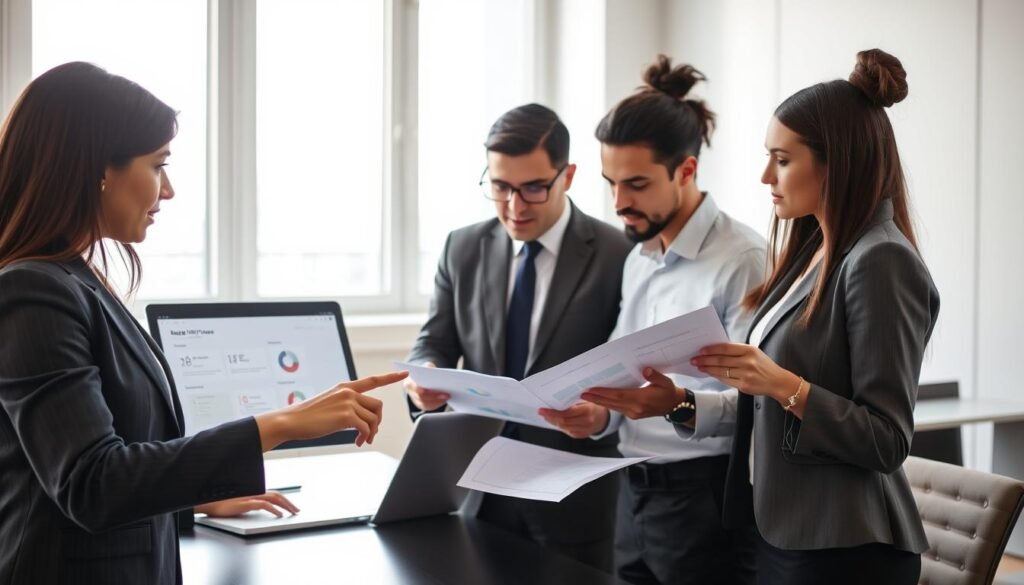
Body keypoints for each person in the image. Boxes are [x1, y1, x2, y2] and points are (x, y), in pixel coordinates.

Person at [0, 62, 406, 585]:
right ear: (98, 169)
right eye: (157, 165)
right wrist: (280, 424)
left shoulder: (77, 280)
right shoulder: (32, 292)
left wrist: (197, 499)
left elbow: (95, 473)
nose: (166, 191)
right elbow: (90, 484)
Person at [691, 49, 939, 585]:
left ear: (836, 162)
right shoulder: (813, 253)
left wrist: (784, 384)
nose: (765, 176)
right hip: (783, 532)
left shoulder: (881, 260)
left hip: (844, 550)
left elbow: (886, 439)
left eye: (782, 159)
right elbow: (771, 408)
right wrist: (679, 403)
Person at [541, 55, 764, 585]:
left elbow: (764, 406)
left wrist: (682, 404)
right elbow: (626, 368)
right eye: (610, 183)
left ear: (686, 170)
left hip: (707, 495)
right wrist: (598, 416)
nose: (619, 203)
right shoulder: (638, 256)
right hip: (633, 490)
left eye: (636, 184)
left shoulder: (744, 260)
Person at [404, 103, 632, 570]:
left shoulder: (618, 253)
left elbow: (635, 367)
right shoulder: (462, 247)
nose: (514, 206)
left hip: (576, 498)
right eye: (500, 187)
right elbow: (435, 342)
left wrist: (604, 413)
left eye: (532, 188)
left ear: (566, 176)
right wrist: (424, 375)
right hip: (478, 486)